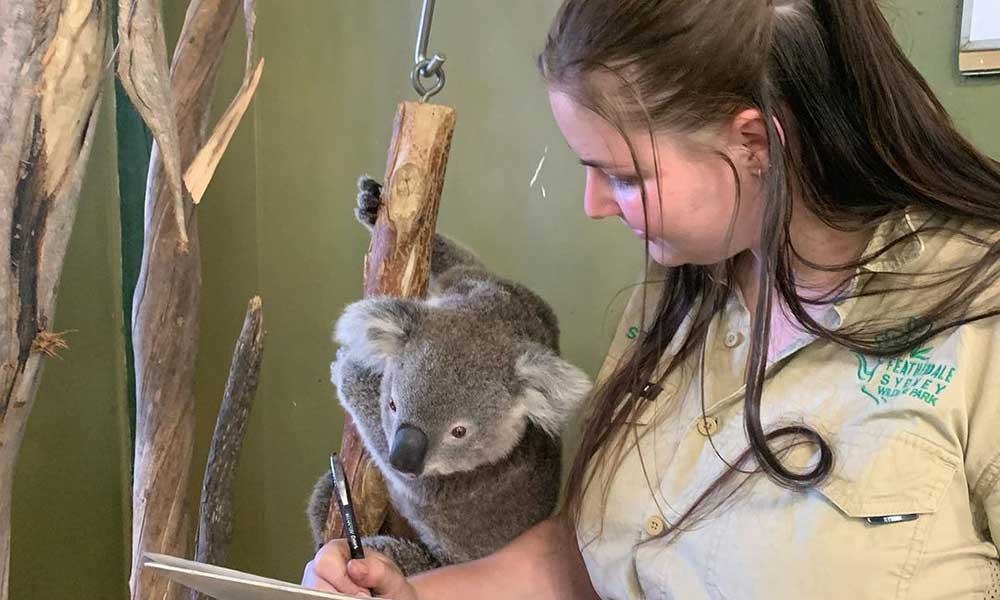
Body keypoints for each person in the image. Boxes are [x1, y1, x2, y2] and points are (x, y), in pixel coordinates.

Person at [303, 0, 1000, 597]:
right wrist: (413, 592)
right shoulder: (677, 300)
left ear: (755, 143)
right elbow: (597, 554)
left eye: (626, 177)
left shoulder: (979, 319)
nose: (595, 205)